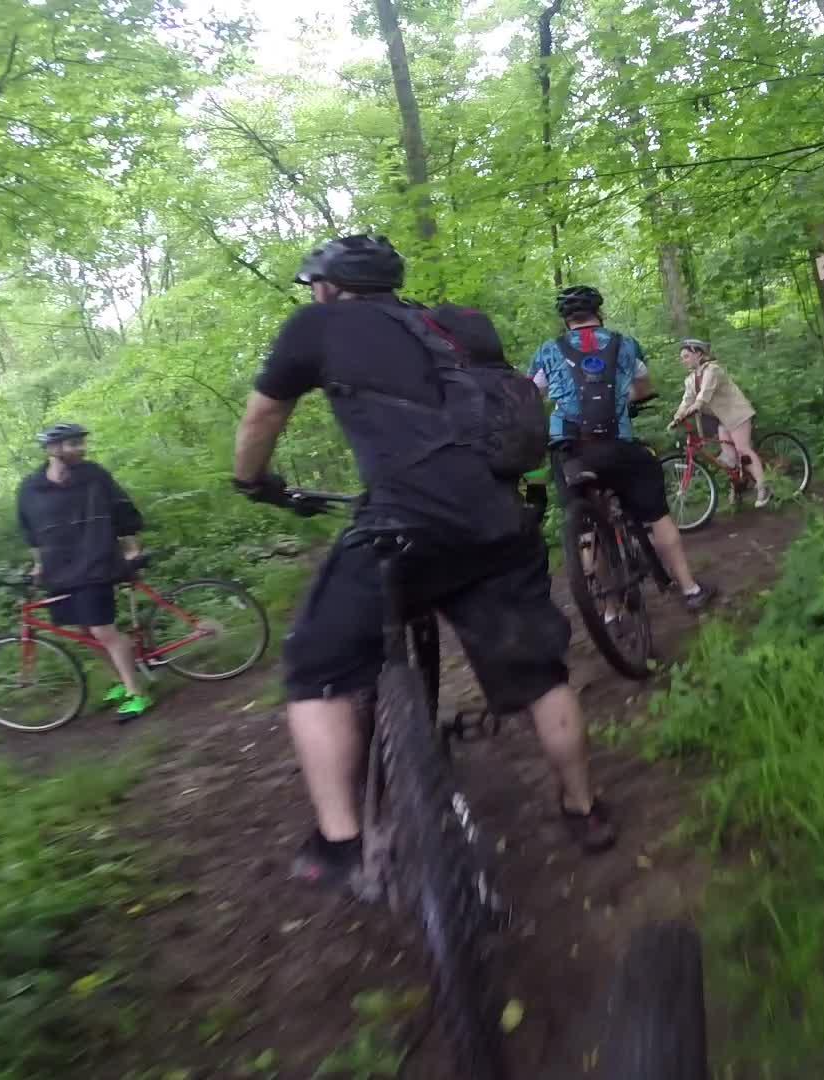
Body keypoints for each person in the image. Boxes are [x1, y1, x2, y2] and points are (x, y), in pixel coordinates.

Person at [230, 234, 617, 893]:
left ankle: (342, 844)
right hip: (501, 519)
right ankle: (584, 808)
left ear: (327, 285)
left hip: (404, 524)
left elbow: (264, 414)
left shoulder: (316, 325)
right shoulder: (461, 325)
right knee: (539, 673)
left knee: (315, 665)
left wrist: (252, 482)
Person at [528, 285, 716, 612]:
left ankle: (610, 609)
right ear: (599, 314)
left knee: (587, 526)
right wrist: (623, 400)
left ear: (565, 320)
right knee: (657, 515)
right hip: (618, 446)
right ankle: (690, 589)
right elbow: (643, 387)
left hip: (571, 451)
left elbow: (532, 396)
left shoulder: (547, 351)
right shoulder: (625, 344)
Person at [16, 423, 151, 720]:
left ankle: (137, 693)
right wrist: (38, 564)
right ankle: (119, 681)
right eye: (72, 444)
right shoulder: (30, 488)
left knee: (103, 630)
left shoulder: (94, 476)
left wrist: (132, 547)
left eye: (80, 443)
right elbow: (31, 532)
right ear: (52, 450)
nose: (80, 449)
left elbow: (122, 509)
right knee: (84, 632)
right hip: (59, 570)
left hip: (96, 560)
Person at [669, 338, 768, 507]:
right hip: (723, 419)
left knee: (743, 449)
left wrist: (696, 407)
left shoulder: (712, 370)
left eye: (686, 356)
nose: (683, 360)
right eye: (682, 357)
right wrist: (677, 417)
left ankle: (763, 488)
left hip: (737, 413)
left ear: (698, 354)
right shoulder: (691, 379)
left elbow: (704, 395)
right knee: (729, 459)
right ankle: (738, 486)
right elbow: (686, 400)